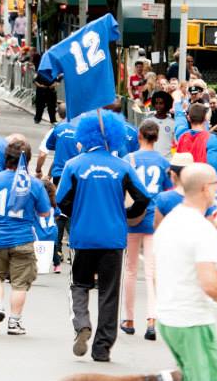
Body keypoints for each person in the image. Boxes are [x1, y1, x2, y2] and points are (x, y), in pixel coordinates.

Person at [56, 110, 152, 362]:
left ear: (84, 137)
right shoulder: (122, 167)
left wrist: (77, 213)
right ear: (113, 136)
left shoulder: (73, 165)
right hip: (113, 237)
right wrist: (127, 213)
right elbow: (143, 198)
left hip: (83, 235)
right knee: (109, 292)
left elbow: (61, 200)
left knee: (79, 285)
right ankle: (102, 347)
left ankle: (82, 323)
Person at [155, 162, 217, 381]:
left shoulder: (172, 220)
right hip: (191, 321)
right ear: (205, 188)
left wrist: (213, 224)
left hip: (170, 318)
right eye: (216, 184)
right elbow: (210, 284)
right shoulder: (200, 229)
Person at [0, 138, 50, 335]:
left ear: (5, 158)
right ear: (28, 159)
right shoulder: (34, 184)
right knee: (20, 283)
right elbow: (44, 213)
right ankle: (14, 323)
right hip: (23, 239)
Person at [121, 120, 172, 341]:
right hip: (154, 218)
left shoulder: (128, 160)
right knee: (152, 272)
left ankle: (129, 319)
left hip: (133, 216)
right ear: (156, 137)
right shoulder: (163, 162)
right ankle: (152, 319)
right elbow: (168, 192)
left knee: (131, 269)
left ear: (139, 135)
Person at [176, 103, 217, 194]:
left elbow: (179, 121)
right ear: (205, 118)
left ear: (189, 118)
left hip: (184, 186)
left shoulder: (181, 135)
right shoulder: (211, 139)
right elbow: (215, 164)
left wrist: (178, 104)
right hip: (202, 187)